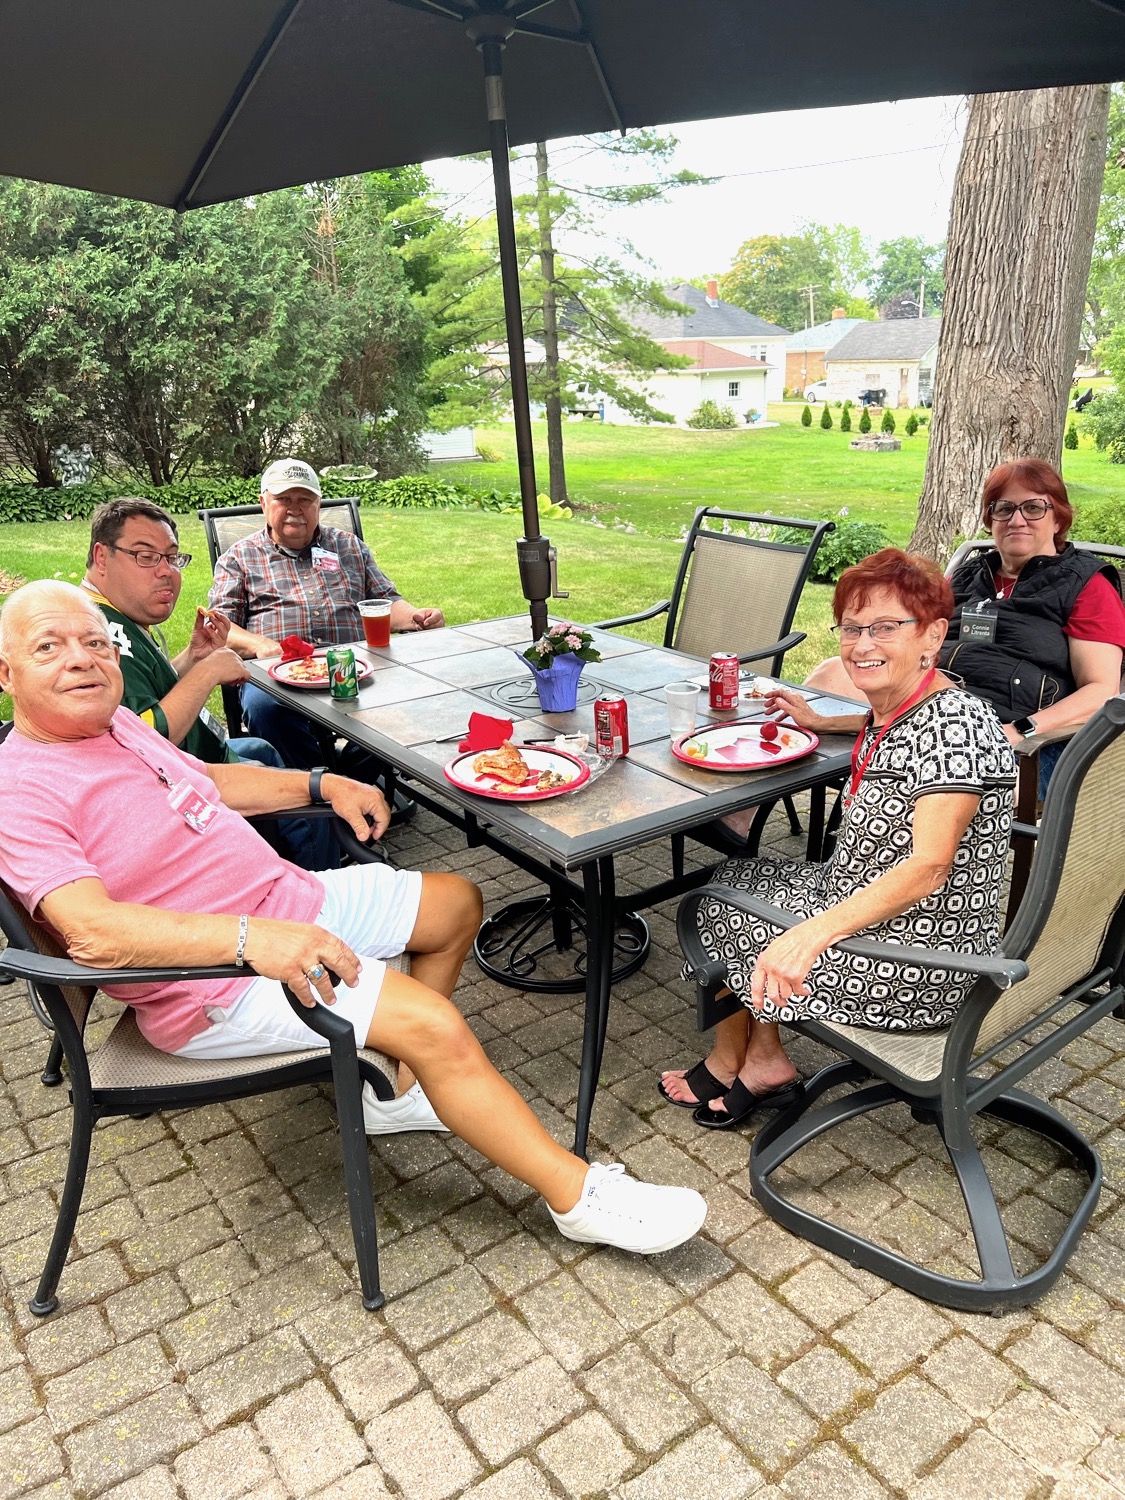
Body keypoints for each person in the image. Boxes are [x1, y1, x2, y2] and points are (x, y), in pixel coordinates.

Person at [0, 581, 706, 1254]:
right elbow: (91, 931)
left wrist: (320, 780)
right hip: (209, 980)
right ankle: (576, 1198)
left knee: (456, 904)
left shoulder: (115, 724)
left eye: (94, 643)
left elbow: (207, 781)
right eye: (48, 648)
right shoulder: (23, 788)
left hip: (283, 902)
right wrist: (251, 940)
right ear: (6, 674)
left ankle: (388, 1091)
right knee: (433, 1026)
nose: (80, 659)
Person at [661, 549, 1017, 1127]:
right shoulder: (911, 703)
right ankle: (759, 1056)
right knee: (730, 879)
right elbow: (895, 729)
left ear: (933, 635)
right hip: (866, 898)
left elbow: (928, 866)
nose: (862, 645)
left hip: (918, 961)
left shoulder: (957, 728)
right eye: (852, 628)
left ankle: (739, 1061)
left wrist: (811, 935)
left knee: (712, 913)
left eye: (885, 627)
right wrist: (826, 721)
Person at [802, 461, 1125, 789]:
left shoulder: (1087, 584)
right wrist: (825, 722)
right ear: (990, 519)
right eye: (1004, 509)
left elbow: (1101, 692)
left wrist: (1019, 730)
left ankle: (884, 827)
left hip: (1026, 744)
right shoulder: (968, 575)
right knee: (828, 676)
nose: (1017, 520)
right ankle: (746, 822)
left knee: (907, 776)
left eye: (1033, 508)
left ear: (1057, 518)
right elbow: (916, 645)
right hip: (936, 713)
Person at [81, 496, 334, 871]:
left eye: (171, 557)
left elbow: (146, 688)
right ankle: (315, 885)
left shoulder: (109, 612)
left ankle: (277, 850)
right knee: (314, 800)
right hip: (176, 783)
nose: (166, 571)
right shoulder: (102, 634)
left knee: (261, 748)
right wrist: (209, 671)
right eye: (146, 556)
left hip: (192, 758)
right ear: (102, 557)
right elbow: (144, 739)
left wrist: (192, 658)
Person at [211, 459, 445, 775]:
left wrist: (417, 616)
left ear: (318, 504)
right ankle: (319, 788)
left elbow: (386, 602)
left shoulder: (347, 546)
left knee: (418, 692)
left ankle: (338, 786)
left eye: (304, 499)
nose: (295, 508)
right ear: (264, 503)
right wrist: (259, 644)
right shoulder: (238, 557)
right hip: (281, 674)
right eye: (284, 499)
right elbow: (220, 629)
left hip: (356, 665)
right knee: (263, 709)